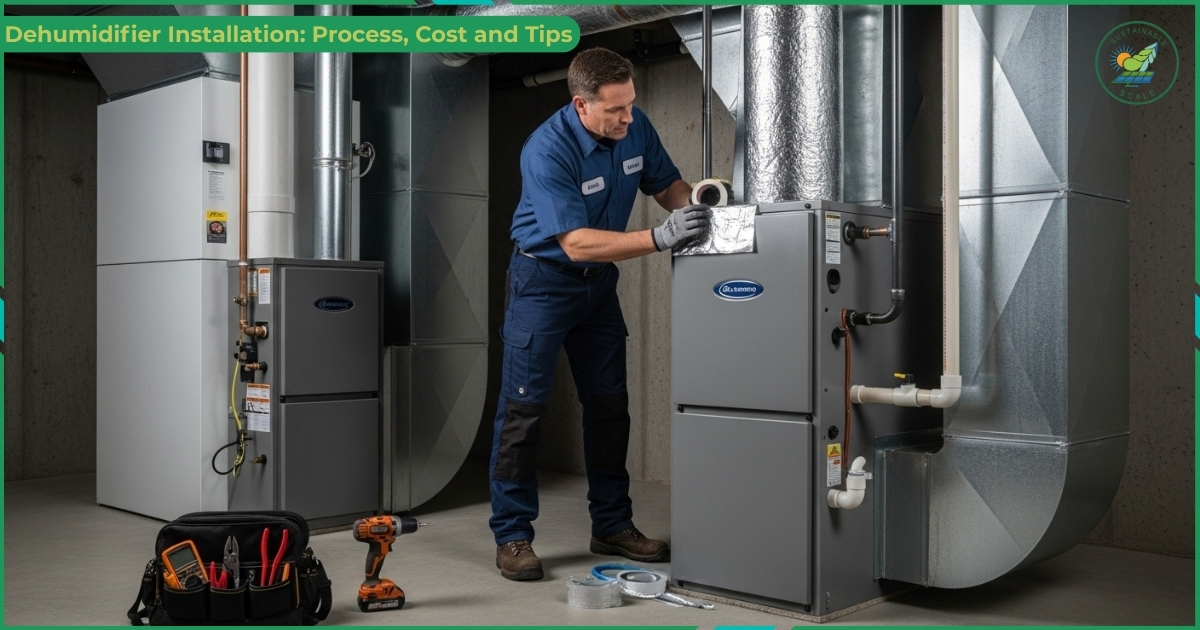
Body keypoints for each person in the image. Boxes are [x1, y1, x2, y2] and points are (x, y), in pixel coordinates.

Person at [489, 47, 710, 581]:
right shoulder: (546, 149)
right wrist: (661, 239)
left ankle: (611, 524)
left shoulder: (632, 126)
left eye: (631, 105)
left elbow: (666, 185)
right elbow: (577, 242)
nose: (628, 118)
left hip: (598, 288)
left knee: (610, 407)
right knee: (523, 412)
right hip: (543, 282)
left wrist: (698, 205)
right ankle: (513, 535)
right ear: (581, 104)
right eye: (615, 110)